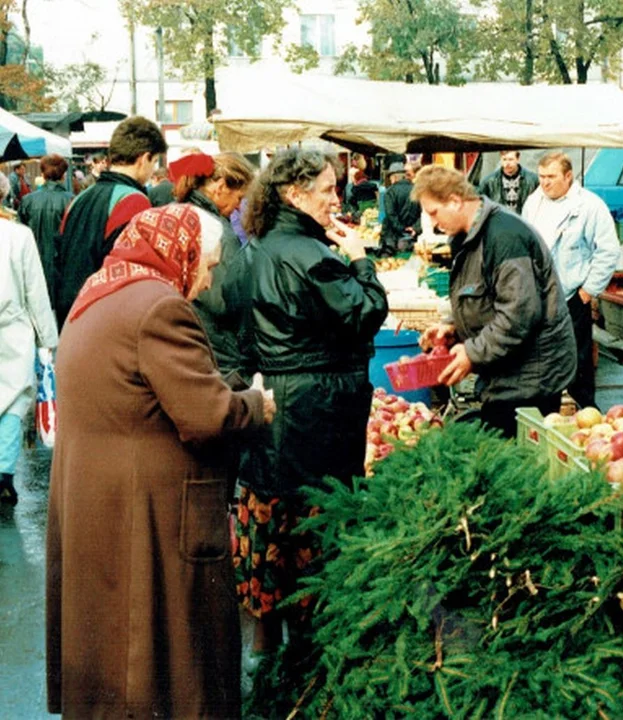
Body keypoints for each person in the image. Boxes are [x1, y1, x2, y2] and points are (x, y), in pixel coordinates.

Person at [46, 203, 276, 718]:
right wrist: (256, 405)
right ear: (183, 252)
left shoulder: (102, 288)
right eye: (209, 264)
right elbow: (207, 415)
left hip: (98, 498)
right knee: (164, 664)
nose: (210, 278)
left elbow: (147, 392)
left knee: (115, 654)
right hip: (146, 511)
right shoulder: (159, 306)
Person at [235, 148, 388, 660]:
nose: (335, 198)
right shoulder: (307, 254)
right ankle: (311, 651)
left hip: (280, 397)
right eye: (326, 189)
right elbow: (364, 313)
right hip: (315, 408)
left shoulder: (259, 246)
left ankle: (271, 641)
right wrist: (363, 260)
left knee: (276, 518)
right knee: (315, 526)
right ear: (294, 194)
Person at [413, 165, 576, 438]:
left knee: (515, 463)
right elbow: (484, 296)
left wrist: (472, 352)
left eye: (433, 212)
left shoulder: (504, 236)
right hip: (506, 374)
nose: (432, 222)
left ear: (454, 201)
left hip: (531, 378)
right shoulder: (467, 238)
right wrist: (453, 329)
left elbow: (519, 315)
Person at [521, 151, 622, 410]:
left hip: (572, 297)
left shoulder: (589, 206)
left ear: (568, 176)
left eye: (551, 177)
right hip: (541, 297)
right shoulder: (534, 203)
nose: (545, 183)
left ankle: (588, 414)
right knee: (543, 364)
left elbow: (608, 250)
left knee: (578, 364)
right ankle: (546, 417)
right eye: (541, 177)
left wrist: (588, 291)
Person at [53, 116, 167, 327]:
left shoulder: (79, 199)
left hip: (69, 316)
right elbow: (133, 274)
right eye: (154, 161)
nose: (152, 170)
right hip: (104, 319)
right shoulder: (134, 201)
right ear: (144, 158)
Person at [170, 151, 256, 374]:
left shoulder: (181, 213)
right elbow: (224, 301)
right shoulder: (215, 230)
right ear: (220, 187)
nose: (238, 207)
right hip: (217, 347)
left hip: (187, 336)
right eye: (239, 198)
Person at [0, 173, 58, 505]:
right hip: (13, 327)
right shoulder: (19, 236)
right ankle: (4, 474)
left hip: (13, 325)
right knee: (13, 398)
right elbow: (36, 289)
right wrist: (46, 338)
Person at [19, 154, 74, 310]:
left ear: (42, 174)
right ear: (63, 175)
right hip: (62, 266)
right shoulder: (71, 200)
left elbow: (22, 230)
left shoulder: (28, 200)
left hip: (33, 262)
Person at [379, 160, 421, 255]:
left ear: (394, 177)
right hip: (411, 238)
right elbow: (423, 213)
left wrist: (401, 228)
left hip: (392, 239)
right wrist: (415, 228)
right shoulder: (417, 190)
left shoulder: (390, 192)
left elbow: (390, 215)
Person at [478, 150, 539, 215]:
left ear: (518, 159)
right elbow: (481, 205)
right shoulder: (489, 182)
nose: (507, 163)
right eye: (504, 159)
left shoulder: (533, 180)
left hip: (524, 221)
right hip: (500, 222)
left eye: (510, 159)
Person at [343, 152, 379, 217]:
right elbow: (376, 190)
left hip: (360, 207)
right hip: (370, 206)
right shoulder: (372, 185)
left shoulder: (352, 187)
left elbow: (350, 200)